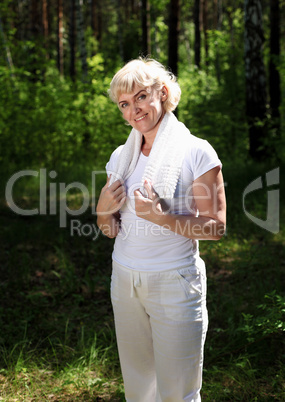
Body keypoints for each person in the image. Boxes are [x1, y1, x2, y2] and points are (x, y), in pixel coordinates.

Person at [96, 58, 226, 402]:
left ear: (162, 93)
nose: (133, 110)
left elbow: (216, 227)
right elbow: (109, 229)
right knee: (139, 389)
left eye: (140, 97)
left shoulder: (196, 151)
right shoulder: (120, 157)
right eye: (125, 104)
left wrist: (161, 217)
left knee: (178, 392)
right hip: (124, 280)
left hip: (175, 284)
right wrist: (102, 210)